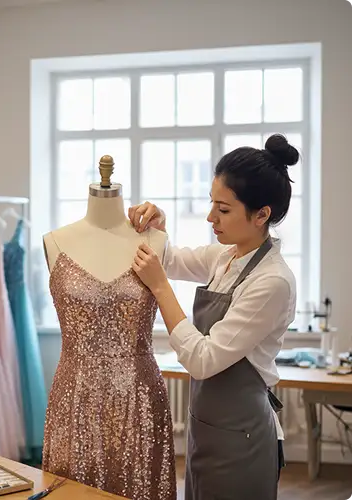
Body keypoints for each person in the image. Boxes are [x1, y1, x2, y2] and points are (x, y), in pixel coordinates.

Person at [128, 134, 298, 500]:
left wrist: (161, 289)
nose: (210, 217)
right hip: (206, 430)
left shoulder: (273, 282)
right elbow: (170, 259)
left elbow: (203, 360)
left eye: (223, 210)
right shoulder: (226, 256)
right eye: (211, 204)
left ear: (262, 214)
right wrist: (157, 227)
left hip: (242, 438)